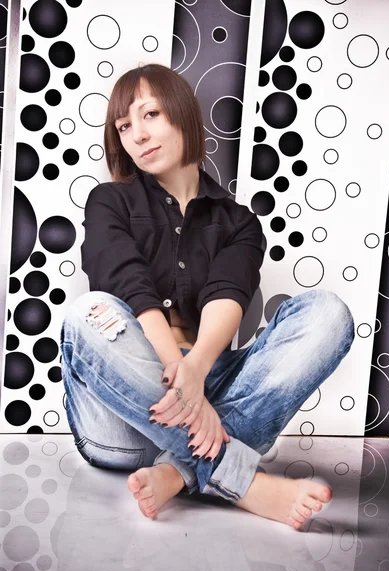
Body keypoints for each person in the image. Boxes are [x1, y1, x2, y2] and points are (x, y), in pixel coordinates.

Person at [60, 63, 355, 529]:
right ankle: (246, 483)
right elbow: (127, 283)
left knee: (328, 314)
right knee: (86, 315)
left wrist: (195, 368)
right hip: (128, 417)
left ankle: (178, 471)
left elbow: (228, 294)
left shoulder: (239, 223)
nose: (136, 134)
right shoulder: (109, 201)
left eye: (150, 114)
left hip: (212, 396)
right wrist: (179, 378)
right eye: (124, 126)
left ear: (182, 115)